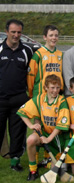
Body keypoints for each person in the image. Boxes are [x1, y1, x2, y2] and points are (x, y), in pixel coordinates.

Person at [17, 75, 70, 181]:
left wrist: (49, 139)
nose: (55, 90)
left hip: (56, 138)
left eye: (57, 88)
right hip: (43, 134)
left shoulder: (62, 101)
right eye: (52, 87)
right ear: (46, 87)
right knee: (31, 140)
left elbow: (60, 125)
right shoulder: (40, 99)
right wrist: (31, 125)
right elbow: (22, 112)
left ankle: (48, 161)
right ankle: (33, 170)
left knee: (56, 167)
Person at [0, 19, 33, 171]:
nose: (16, 35)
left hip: (19, 98)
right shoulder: (0, 49)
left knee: (17, 132)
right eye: (13, 32)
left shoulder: (27, 51)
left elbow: (31, 74)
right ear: (6, 32)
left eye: (19, 32)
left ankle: (15, 161)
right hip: (0, 98)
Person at [28, 25, 64, 98]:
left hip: (56, 94)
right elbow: (31, 76)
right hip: (41, 94)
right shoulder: (38, 54)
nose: (54, 38)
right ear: (45, 37)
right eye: (51, 35)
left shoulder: (60, 54)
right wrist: (30, 93)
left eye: (56, 35)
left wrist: (61, 88)